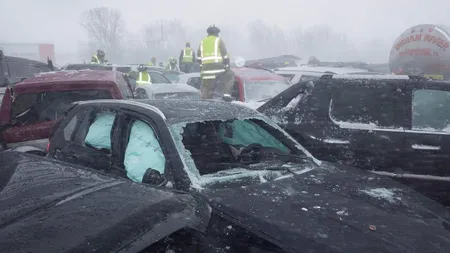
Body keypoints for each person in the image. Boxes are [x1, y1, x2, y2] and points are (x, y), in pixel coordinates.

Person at [197, 24, 234, 100]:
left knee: (207, 87)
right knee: (230, 74)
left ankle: (204, 100)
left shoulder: (202, 42)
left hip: (205, 71)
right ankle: (226, 95)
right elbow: (225, 55)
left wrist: (203, 67)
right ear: (216, 33)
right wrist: (227, 65)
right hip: (218, 69)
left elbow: (198, 58)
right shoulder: (218, 40)